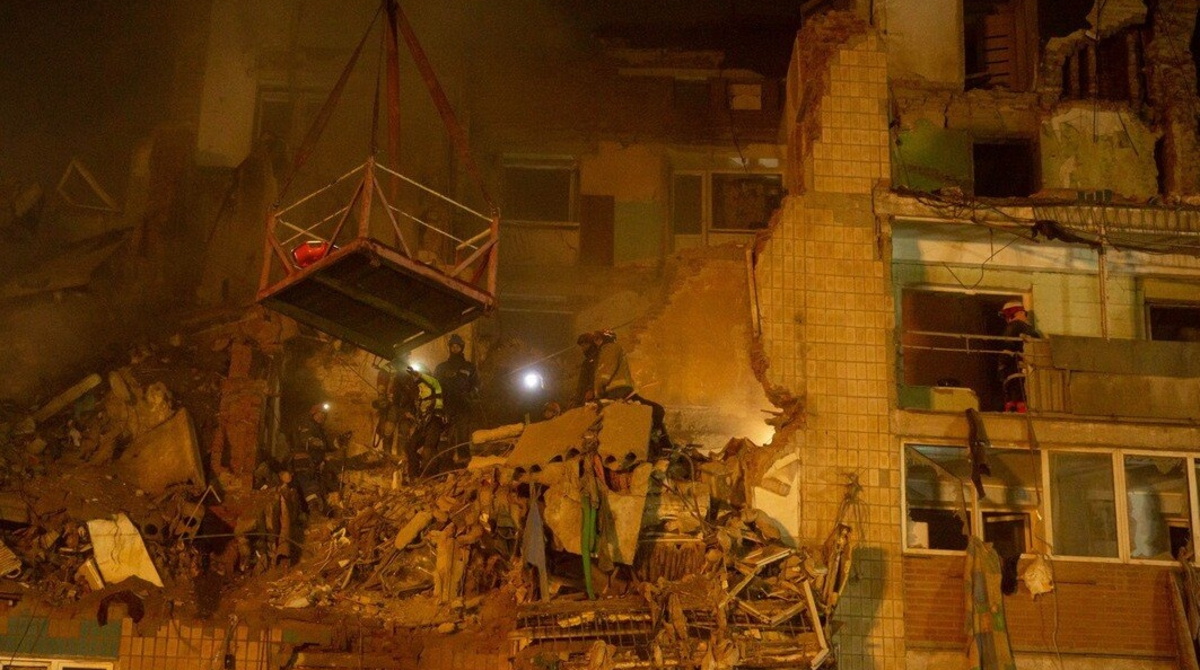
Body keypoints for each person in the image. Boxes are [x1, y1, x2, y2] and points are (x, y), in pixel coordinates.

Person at [580, 330, 672, 454]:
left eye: (597, 339)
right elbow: (604, 373)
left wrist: (598, 393)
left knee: (654, 411)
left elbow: (603, 373)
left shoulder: (607, 350)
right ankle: (662, 444)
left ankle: (660, 443)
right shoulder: (611, 348)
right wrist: (599, 392)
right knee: (657, 410)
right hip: (620, 393)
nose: (596, 343)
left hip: (620, 392)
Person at [434, 334, 479, 453]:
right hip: (446, 404)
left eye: (457, 347)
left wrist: (471, 394)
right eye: (452, 346)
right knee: (445, 434)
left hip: (463, 404)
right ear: (449, 348)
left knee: (462, 432)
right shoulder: (441, 367)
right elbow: (434, 385)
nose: (455, 349)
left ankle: (463, 458)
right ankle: (445, 458)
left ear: (461, 348)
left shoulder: (469, 367)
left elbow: (476, 384)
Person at [997, 300, 1041, 413]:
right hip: (1023, 366)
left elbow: (1007, 345)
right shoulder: (1029, 330)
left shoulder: (1013, 326)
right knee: (1021, 394)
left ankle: (1013, 411)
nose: (1007, 319)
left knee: (1013, 393)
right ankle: (1021, 411)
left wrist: (1003, 365)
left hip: (1012, 366)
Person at [403, 365, 447, 478]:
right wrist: (410, 414)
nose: (421, 390)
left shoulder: (437, 391)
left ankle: (429, 475)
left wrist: (419, 374)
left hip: (434, 423)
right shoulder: (420, 400)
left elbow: (433, 382)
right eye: (420, 388)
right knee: (410, 447)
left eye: (424, 387)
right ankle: (414, 475)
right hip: (423, 425)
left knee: (428, 449)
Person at [290, 403, 332, 515]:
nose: (322, 417)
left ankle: (321, 510)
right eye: (320, 414)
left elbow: (327, 445)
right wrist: (316, 442)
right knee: (309, 486)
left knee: (316, 486)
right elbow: (307, 439)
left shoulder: (319, 429)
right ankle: (315, 512)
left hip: (313, 462)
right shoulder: (307, 424)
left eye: (324, 415)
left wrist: (338, 442)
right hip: (303, 461)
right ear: (313, 414)